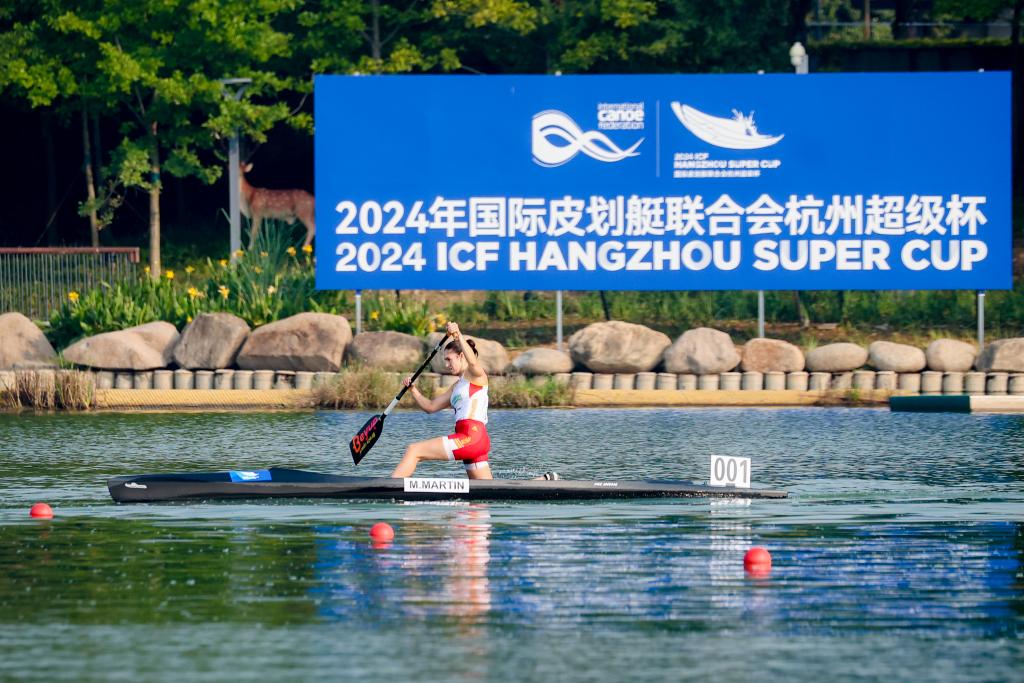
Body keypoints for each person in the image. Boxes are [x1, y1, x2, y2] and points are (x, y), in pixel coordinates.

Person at [391, 322, 493, 480]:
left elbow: (472, 362)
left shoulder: (476, 375)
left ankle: (388, 487)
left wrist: (458, 335)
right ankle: (535, 484)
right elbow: (430, 407)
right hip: (470, 440)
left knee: (414, 450)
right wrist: (413, 390)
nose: (446, 365)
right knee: (487, 491)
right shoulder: (456, 387)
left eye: (449, 359)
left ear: (461, 356)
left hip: (471, 437)